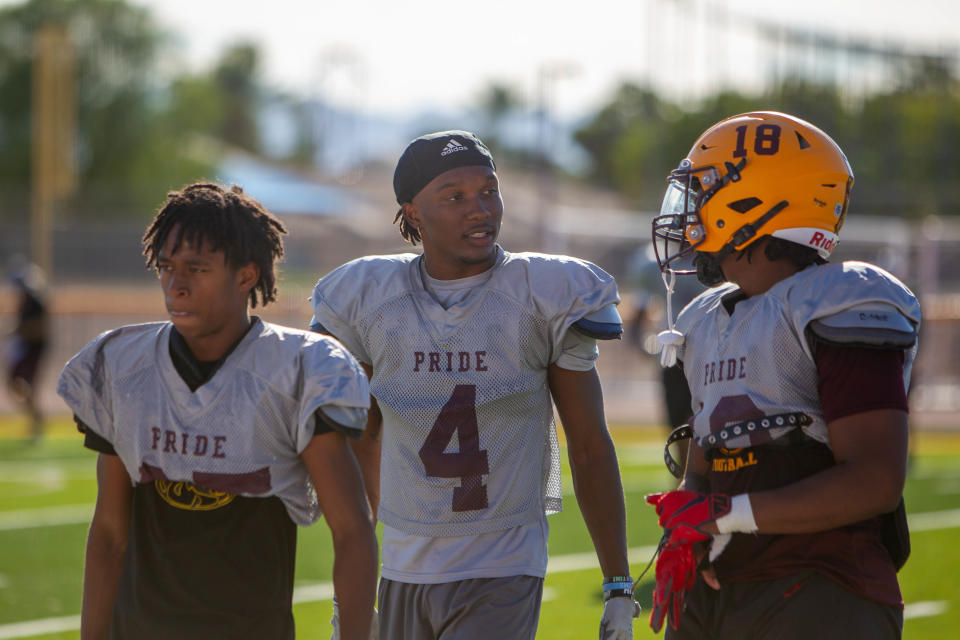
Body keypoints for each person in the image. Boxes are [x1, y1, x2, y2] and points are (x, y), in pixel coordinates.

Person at [309, 131, 638, 639]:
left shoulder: (541, 293)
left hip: (503, 560)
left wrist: (618, 582)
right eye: (455, 196)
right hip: (404, 563)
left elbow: (590, 446)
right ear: (413, 212)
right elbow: (364, 443)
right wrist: (350, 592)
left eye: (489, 190)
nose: (480, 209)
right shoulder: (370, 297)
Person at [57, 183, 378, 640]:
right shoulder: (123, 368)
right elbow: (109, 531)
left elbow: (351, 530)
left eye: (197, 269)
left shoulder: (300, 370)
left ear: (247, 276)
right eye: (166, 268)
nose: (176, 285)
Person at [644, 111, 921, 639]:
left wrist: (723, 513)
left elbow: (874, 481)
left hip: (821, 587)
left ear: (752, 201)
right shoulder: (705, 317)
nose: (688, 212)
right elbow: (706, 456)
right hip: (724, 588)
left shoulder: (838, 301)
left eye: (702, 192)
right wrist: (689, 527)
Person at [5, 260, 49, 442]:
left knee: (26, 384)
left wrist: (17, 332)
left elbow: (37, 328)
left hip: (34, 348)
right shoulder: (25, 301)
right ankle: (34, 417)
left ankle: (36, 420)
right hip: (25, 348)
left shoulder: (36, 302)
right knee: (15, 382)